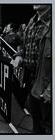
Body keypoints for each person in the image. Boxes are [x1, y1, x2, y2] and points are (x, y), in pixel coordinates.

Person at [12, 5, 52, 134]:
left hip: (47, 85)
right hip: (32, 80)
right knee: (36, 119)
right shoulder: (31, 21)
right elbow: (24, 46)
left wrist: (50, 90)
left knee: (48, 125)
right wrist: (19, 56)